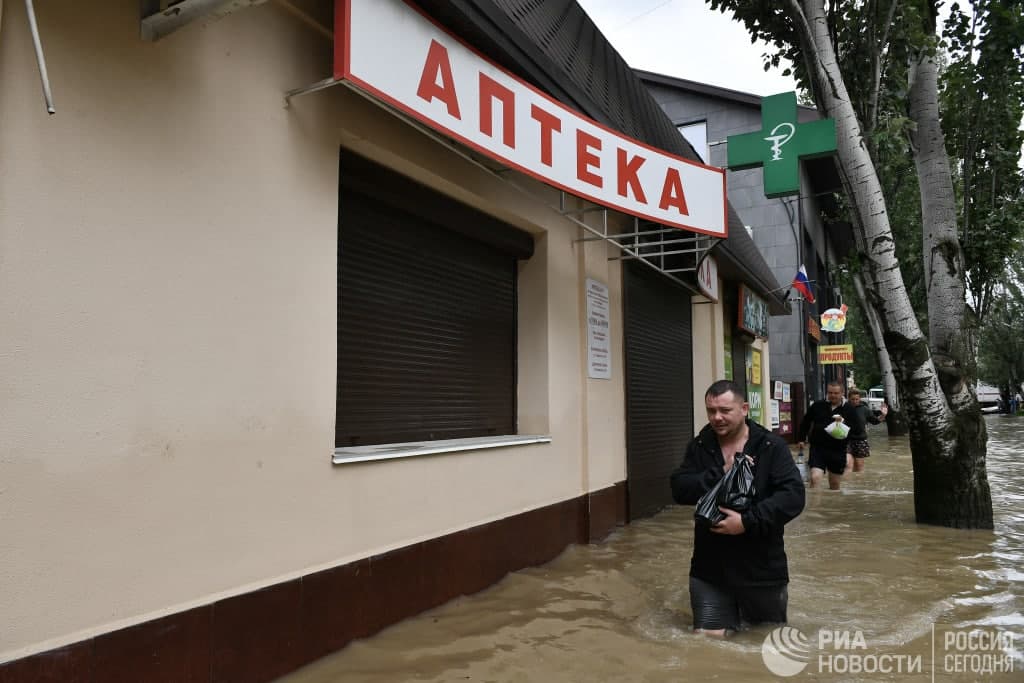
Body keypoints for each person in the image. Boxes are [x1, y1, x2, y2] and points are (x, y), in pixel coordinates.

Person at [670, 380, 806, 635]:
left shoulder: (770, 446)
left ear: (744, 408)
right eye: (711, 411)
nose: (717, 417)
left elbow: (793, 497)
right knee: (707, 642)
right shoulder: (701, 446)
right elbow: (679, 488)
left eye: (724, 410)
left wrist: (746, 522)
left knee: (765, 641)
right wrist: (720, 472)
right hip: (709, 569)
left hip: (762, 570)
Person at [797, 381, 853, 490]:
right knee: (815, 478)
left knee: (834, 484)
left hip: (838, 450)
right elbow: (806, 422)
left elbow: (855, 429)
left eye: (836, 393)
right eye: (830, 392)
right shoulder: (818, 405)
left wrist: (843, 422)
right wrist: (801, 439)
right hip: (818, 448)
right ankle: (815, 506)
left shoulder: (849, 409)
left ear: (842, 393)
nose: (832, 395)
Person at [845, 387, 887, 472]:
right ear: (849, 398)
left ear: (859, 398)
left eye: (857, 399)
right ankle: (847, 483)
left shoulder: (864, 409)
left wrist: (883, 415)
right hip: (846, 440)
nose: (855, 401)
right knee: (848, 463)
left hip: (860, 440)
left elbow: (875, 421)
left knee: (859, 467)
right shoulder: (844, 408)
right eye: (852, 399)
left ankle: (858, 482)